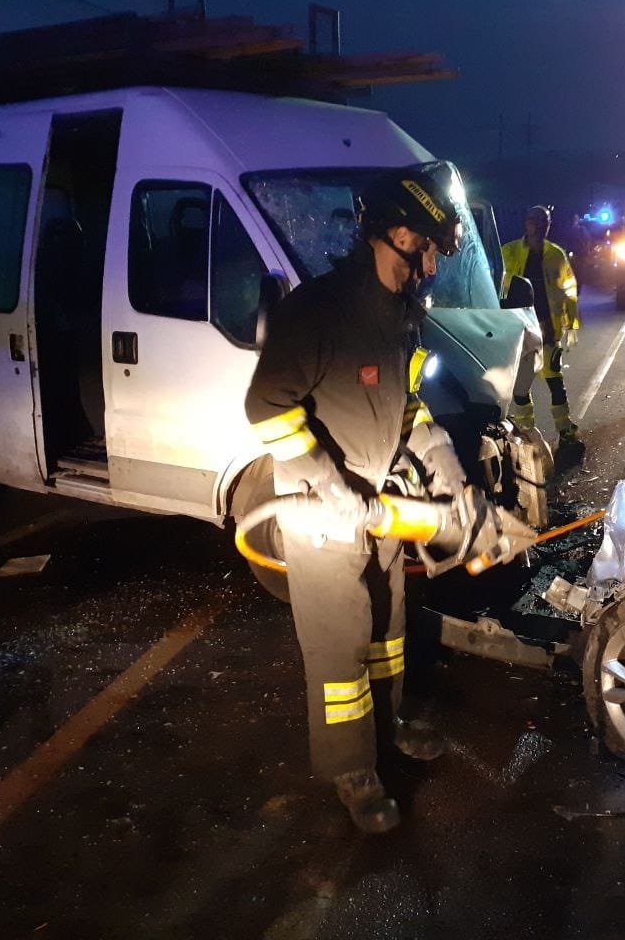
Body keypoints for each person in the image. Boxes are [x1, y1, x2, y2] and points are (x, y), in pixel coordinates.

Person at [244, 166, 467, 834]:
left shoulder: (403, 316)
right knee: (339, 643)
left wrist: (441, 462)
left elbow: (409, 406)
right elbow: (265, 407)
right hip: (323, 510)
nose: (431, 260)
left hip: (382, 504)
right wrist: (326, 479)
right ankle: (350, 769)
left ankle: (389, 723)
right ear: (395, 232)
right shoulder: (317, 310)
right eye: (427, 244)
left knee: (387, 624)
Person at [501, 205, 582, 449]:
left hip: (548, 329)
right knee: (521, 385)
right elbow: (498, 284)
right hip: (520, 329)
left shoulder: (556, 254)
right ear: (527, 223)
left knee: (554, 379)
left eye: (544, 223)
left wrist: (572, 325)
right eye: (534, 222)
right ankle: (526, 432)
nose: (539, 227)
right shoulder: (509, 251)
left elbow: (569, 290)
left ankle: (565, 429)